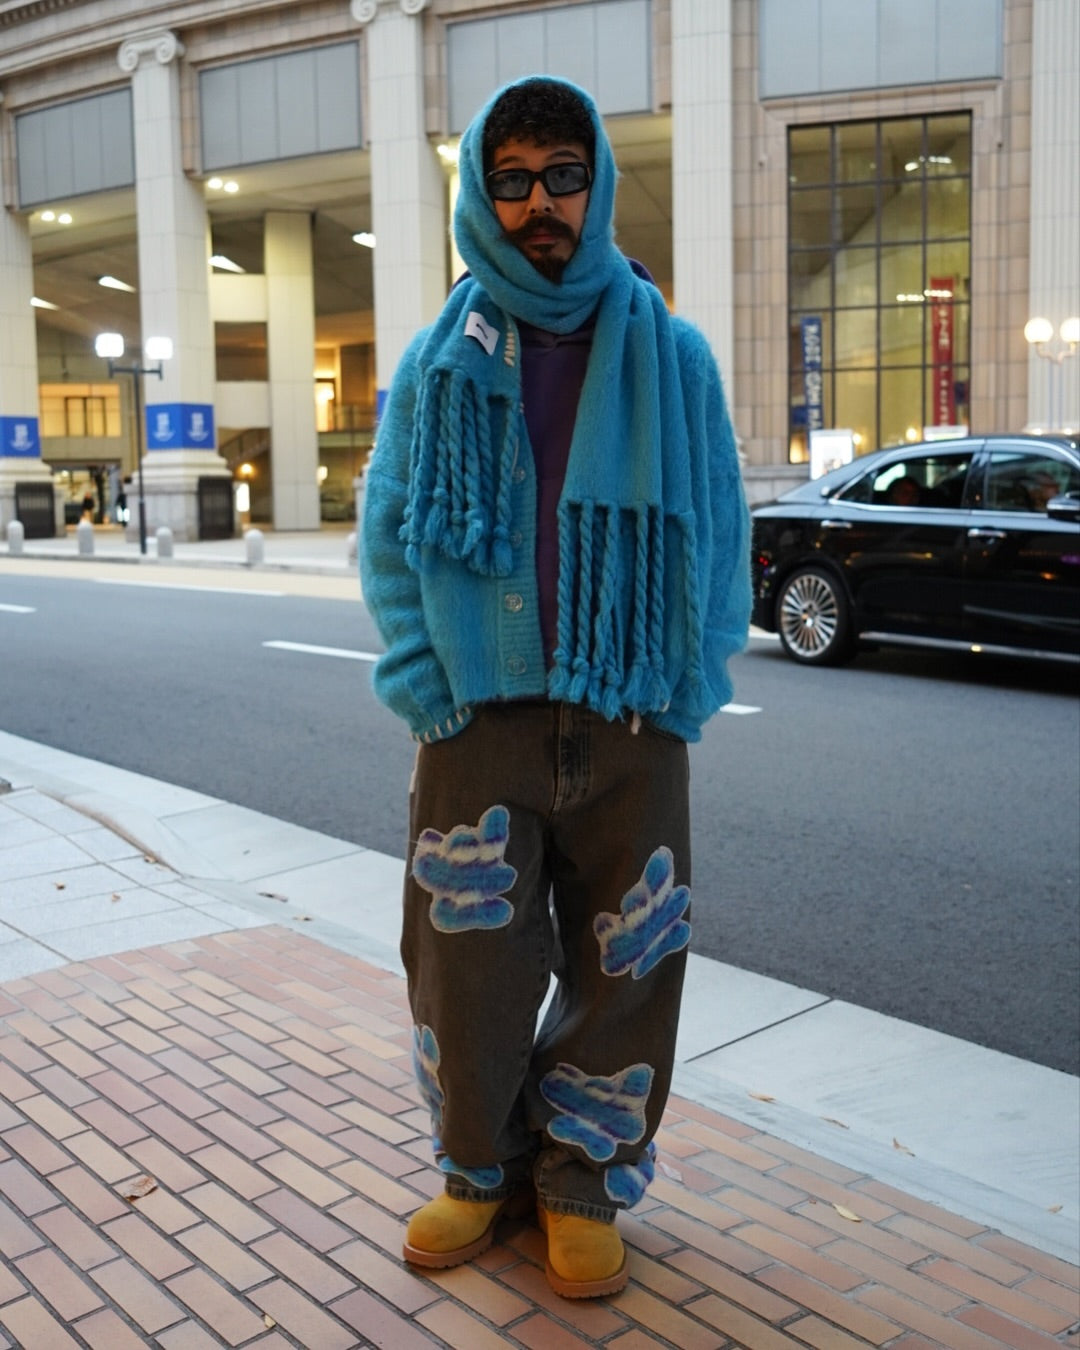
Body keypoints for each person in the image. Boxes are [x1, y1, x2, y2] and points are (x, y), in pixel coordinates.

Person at [361, 76, 750, 1299]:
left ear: (598, 187)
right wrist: (429, 681)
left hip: (631, 707)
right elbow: (389, 533)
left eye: (562, 177)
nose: (541, 204)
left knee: (628, 962)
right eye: (514, 179)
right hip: (478, 718)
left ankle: (581, 1177)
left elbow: (722, 532)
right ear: (484, 193)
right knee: (461, 960)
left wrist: (690, 684)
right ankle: (480, 1167)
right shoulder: (439, 360)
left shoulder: (671, 354)